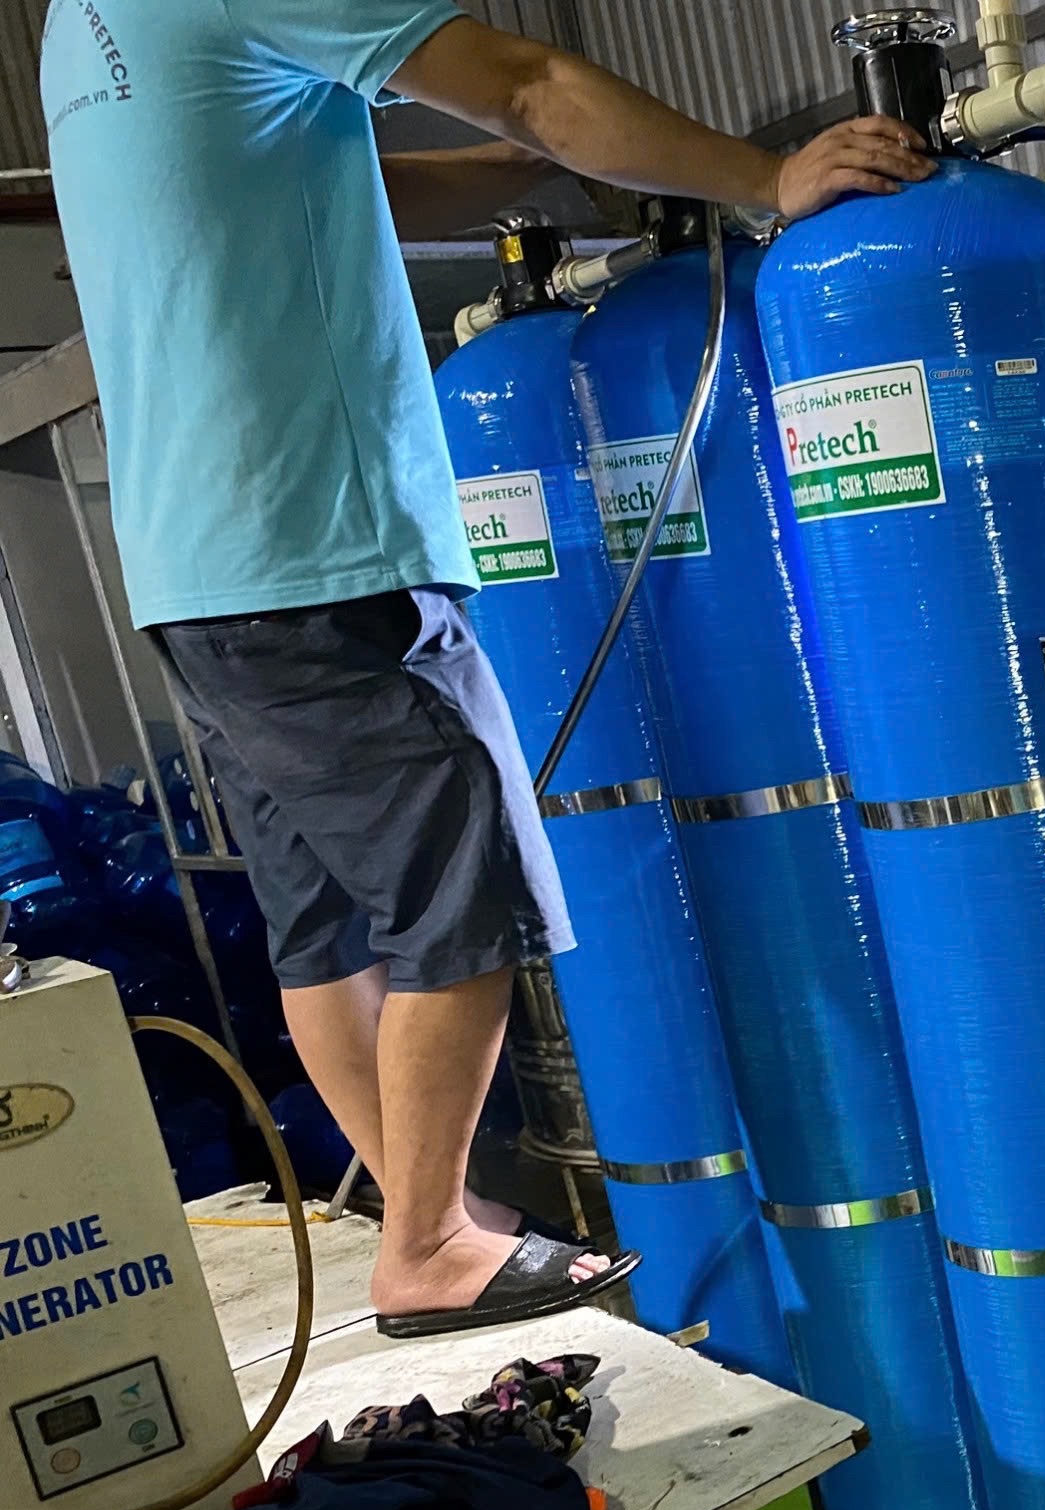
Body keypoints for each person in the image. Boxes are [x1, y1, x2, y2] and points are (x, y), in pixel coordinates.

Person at [40, 5, 933, 1336]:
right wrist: (770, 176)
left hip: (201, 574)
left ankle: (432, 1214)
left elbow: (343, 174)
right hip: (325, 553)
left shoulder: (80, 25)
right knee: (464, 890)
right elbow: (525, 80)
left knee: (323, 927)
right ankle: (426, 1246)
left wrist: (539, 173)